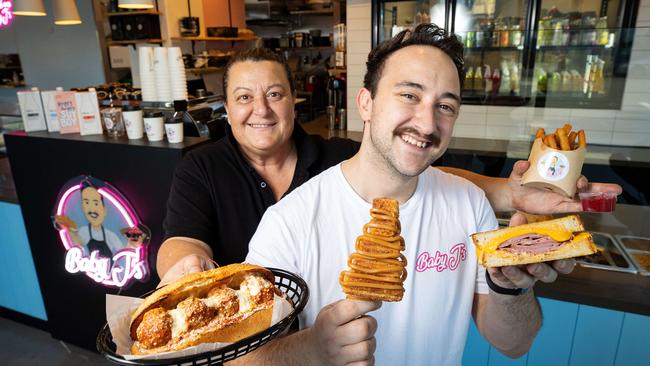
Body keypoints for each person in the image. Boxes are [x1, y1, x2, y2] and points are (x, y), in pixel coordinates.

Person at [237, 24, 579, 365]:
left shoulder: (471, 205)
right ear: (366, 103)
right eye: (409, 95)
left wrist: (512, 287)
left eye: (445, 106)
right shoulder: (290, 220)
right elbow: (241, 360)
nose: (428, 124)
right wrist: (310, 349)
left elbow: (513, 345)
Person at [157, 47, 621, 286]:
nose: (261, 108)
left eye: (275, 94)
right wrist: (184, 266)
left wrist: (510, 191)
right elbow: (180, 241)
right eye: (244, 97)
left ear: (293, 102)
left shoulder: (331, 155)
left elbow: (420, 170)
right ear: (226, 107)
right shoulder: (201, 167)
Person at [56, 181, 125, 258]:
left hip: (111, 269)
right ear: (83, 208)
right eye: (87, 203)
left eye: (96, 203)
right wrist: (66, 228)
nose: (92, 209)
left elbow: (124, 253)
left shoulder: (110, 236)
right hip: (90, 268)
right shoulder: (84, 231)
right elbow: (77, 245)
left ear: (104, 210)